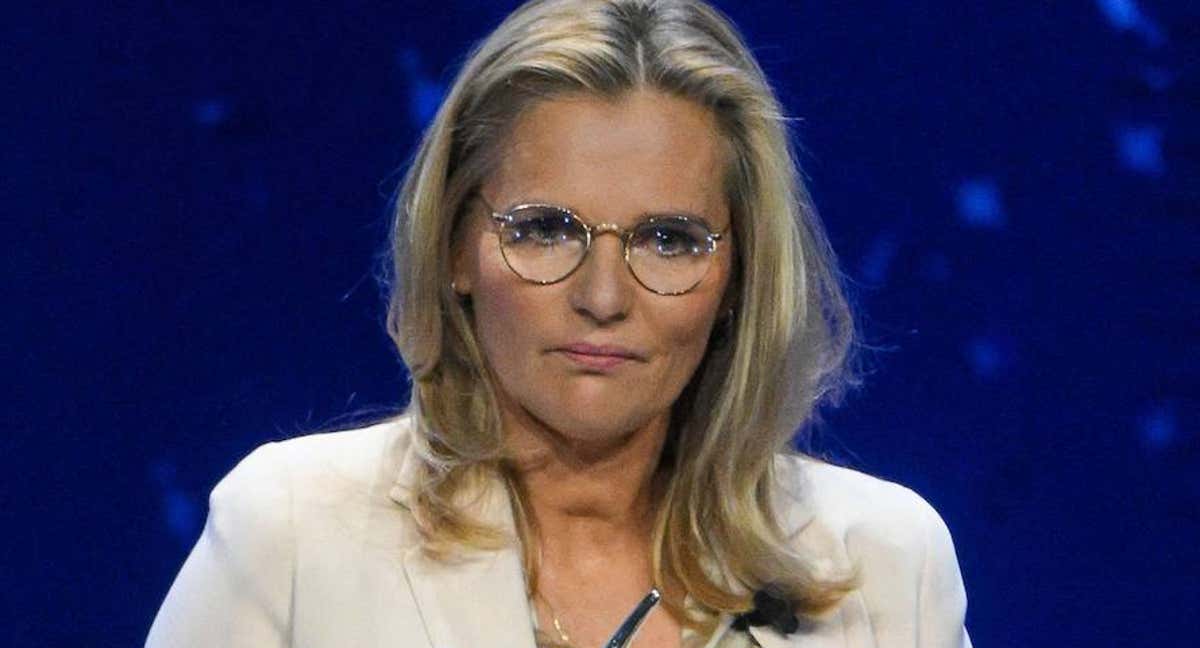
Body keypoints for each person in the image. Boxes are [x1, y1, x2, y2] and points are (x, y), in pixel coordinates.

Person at [146, 1, 972, 647]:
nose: (604, 296)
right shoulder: (294, 532)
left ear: (738, 275)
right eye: (544, 230)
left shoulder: (882, 564)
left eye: (668, 239)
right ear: (455, 249)